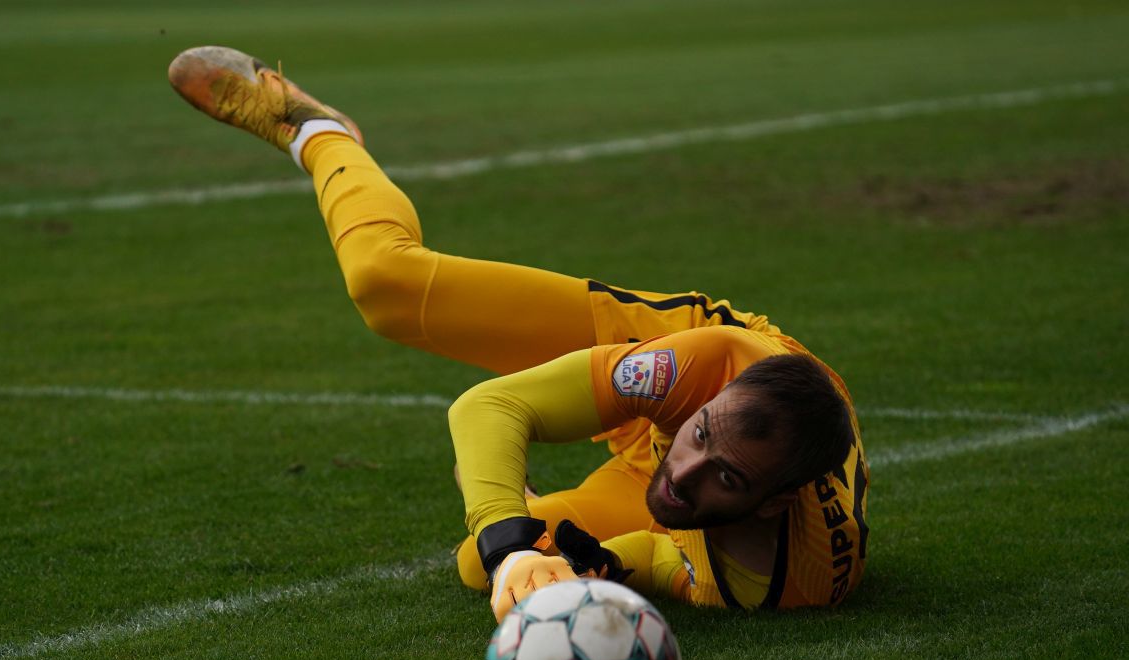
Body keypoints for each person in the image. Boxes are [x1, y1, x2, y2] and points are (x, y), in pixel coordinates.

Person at [168, 46, 870, 622]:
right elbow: (490, 405)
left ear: (774, 504)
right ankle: (316, 133)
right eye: (701, 440)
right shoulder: (705, 372)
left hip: (711, 447)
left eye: (725, 476)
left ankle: (520, 498)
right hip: (670, 361)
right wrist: (514, 545)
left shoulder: (794, 588)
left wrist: (593, 565)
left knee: (480, 567)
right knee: (387, 285)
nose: (685, 472)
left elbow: (671, 561)